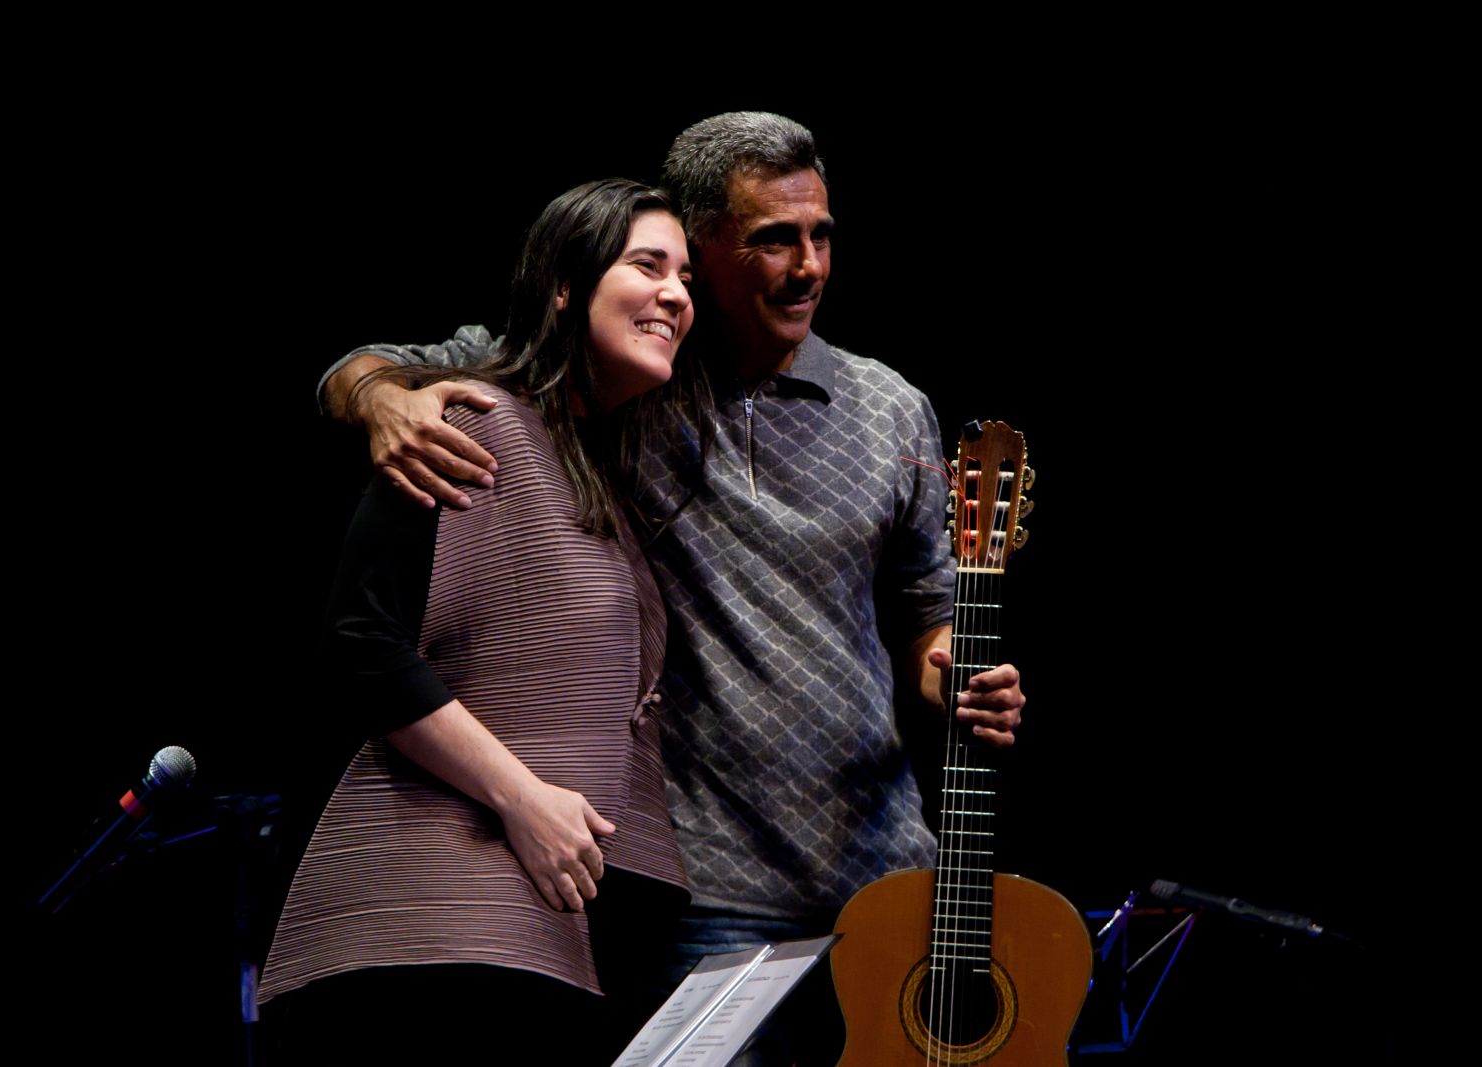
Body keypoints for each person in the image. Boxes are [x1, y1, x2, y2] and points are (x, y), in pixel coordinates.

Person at [318, 114, 1026, 1067]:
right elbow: (412, 366)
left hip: (885, 869)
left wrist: (954, 672)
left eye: (822, 235)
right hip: (709, 882)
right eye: (774, 239)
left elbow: (919, 607)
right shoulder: (637, 377)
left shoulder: (891, 406)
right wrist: (376, 396)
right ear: (707, 245)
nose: (808, 266)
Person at [259, 179, 697, 1063]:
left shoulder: (597, 481)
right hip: (429, 932)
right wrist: (521, 795)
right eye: (647, 265)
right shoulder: (472, 421)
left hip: (535, 943)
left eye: (685, 275)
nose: (676, 294)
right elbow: (361, 643)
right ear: (566, 286)